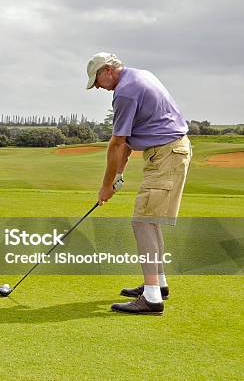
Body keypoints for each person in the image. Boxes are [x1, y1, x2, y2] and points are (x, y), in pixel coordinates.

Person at [86, 52, 191, 315]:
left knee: (142, 221)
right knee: (150, 219)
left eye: (96, 79)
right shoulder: (140, 75)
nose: (97, 86)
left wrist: (106, 186)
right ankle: (158, 284)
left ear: (108, 70)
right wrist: (119, 175)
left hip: (166, 155)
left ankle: (152, 298)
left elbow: (117, 143)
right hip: (168, 152)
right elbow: (128, 142)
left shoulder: (125, 92)